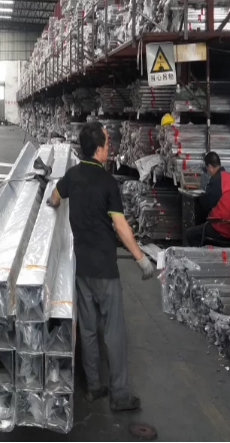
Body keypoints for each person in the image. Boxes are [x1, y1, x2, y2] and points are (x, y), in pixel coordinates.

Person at [48, 121, 153, 412]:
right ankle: (120, 395)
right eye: (107, 142)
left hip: (82, 266)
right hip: (105, 268)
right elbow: (120, 226)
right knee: (114, 331)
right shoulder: (107, 183)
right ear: (98, 149)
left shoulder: (72, 176)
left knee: (88, 329)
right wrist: (141, 258)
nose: (110, 146)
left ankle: (94, 386)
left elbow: (54, 198)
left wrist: (56, 204)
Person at [184, 151, 230, 247]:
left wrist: (199, 199)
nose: (208, 171)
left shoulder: (217, 179)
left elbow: (206, 203)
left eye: (207, 168)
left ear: (210, 167)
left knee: (190, 233)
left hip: (221, 227)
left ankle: (200, 254)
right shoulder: (229, 176)